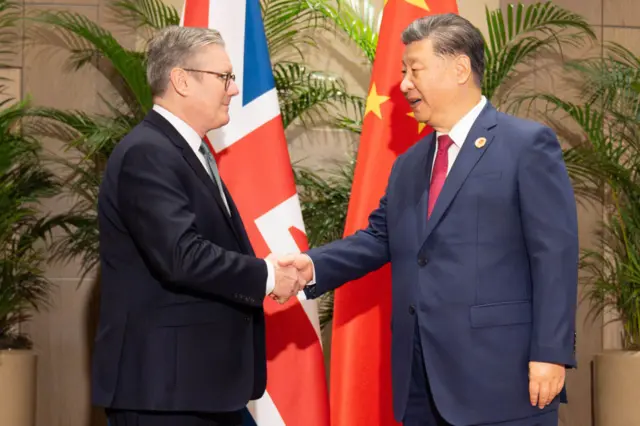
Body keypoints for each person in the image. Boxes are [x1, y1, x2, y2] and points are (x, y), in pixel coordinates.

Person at [277, 13, 578, 426]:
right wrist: (312, 266)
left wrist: (551, 351)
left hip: (502, 380)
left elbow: (555, 255)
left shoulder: (526, 146)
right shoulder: (409, 164)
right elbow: (380, 238)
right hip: (419, 378)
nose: (403, 84)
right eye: (403, 71)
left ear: (460, 68)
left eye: (414, 69)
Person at [92, 26, 303, 426]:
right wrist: (267, 275)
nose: (234, 90)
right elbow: (181, 255)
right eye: (224, 77)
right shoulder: (148, 153)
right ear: (181, 80)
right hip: (166, 394)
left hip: (200, 387)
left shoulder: (184, 151)